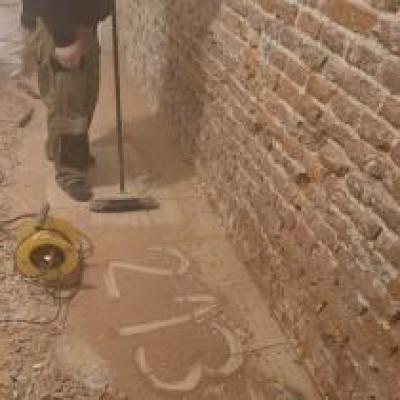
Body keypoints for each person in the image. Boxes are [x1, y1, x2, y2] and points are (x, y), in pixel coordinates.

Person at [21, 0, 112, 201]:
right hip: (61, 26)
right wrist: (64, 38)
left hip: (77, 23)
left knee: (84, 95)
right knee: (69, 102)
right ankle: (70, 172)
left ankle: (60, 150)